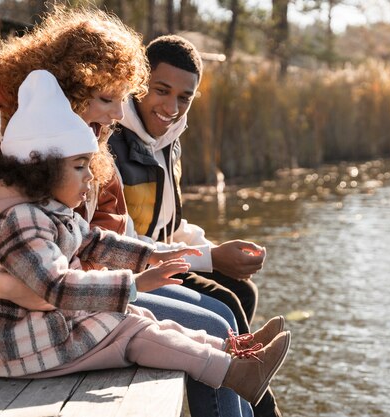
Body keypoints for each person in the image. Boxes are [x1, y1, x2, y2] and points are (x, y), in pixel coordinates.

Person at [0, 8, 254, 416]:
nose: (117, 114)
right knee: (212, 324)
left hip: (73, 295)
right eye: (106, 99)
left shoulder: (87, 135)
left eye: (121, 99)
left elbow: (102, 224)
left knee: (220, 312)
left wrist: (149, 261)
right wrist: (2, 285)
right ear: (66, 87)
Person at [0, 69, 290, 408]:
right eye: (79, 167)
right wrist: (135, 284)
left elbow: (97, 242)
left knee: (140, 320)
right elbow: (56, 287)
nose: (90, 178)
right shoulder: (21, 221)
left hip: (46, 331)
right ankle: (232, 371)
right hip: (20, 348)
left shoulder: (49, 210)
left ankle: (230, 350)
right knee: (134, 331)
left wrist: (153, 256)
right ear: (39, 168)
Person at [108, 34, 282, 417]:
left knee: (243, 291)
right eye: (161, 90)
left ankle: (242, 399)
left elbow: (166, 224)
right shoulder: (112, 144)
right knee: (227, 306)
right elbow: (123, 244)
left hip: (158, 256)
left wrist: (213, 249)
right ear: (139, 81)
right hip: (133, 269)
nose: (171, 107)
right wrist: (210, 257)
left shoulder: (169, 139)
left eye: (184, 97)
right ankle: (258, 408)